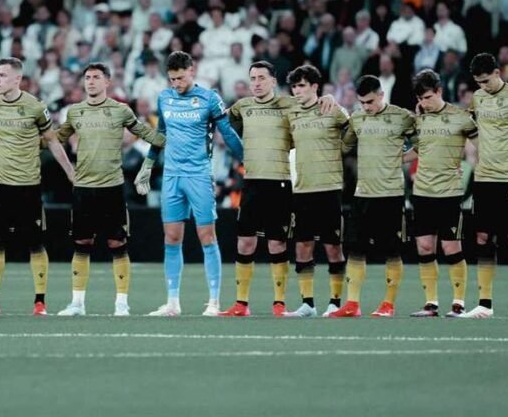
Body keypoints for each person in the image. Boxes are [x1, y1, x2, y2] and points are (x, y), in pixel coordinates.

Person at [134, 51, 244, 317]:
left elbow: (227, 133)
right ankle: (172, 303)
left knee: (207, 237)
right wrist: (148, 164)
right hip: (172, 176)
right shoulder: (164, 97)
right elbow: (161, 133)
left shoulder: (209, 99)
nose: (176, 84)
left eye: (180, 78)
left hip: (198, 175)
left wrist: (246, 161)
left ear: (192, 71)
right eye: (172, 79)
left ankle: (214, 302)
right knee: (171, 238)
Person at [54, 63, 166, 316]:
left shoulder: (120, 111)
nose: (91, 81)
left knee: (118, 244)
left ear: (108, 82)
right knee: (82, 243)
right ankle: (77, 304)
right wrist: (26, 137)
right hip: (83, 187)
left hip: (112, 188)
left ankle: (121, 303)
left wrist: (175, 139)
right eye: (87, 77)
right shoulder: (74, 112)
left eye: (96, 77)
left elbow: (147, 133)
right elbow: (56, 139)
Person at [0, 58, 75, 316]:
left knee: (35, 244)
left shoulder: (35, 107)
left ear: (17, 79)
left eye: (3, 75)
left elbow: (51, 140)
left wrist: (70, 172)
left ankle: (40, 302)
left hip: (28, 185)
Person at [330, 75, 415, 318]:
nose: (366, 107)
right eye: (361, 103)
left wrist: (400, 159)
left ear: (381, 95)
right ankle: (353, 304)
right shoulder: (357, 119)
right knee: (355, 249)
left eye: (369, 101)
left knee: (392, 251)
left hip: (391, 194)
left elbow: (423, 145)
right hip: (362, 194)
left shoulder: (402, 117)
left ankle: (388, 304)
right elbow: (344, 147)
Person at [462, 53, 508, 319]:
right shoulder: (478, 97)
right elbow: (468, 128)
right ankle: (484, 304)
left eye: (486, 81)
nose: (483, 86)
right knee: (482, 238)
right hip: (484, 179)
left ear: (497, 72)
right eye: (478, 82)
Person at [221, 61, 296, 317]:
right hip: (251, 182)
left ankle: (279, 303)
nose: (256, 83)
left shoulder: (289, 104)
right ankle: (241, 304)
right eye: (252, 78)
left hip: (279, 181)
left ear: (273, 81)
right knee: (245, 243)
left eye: (262, 78)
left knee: (277, 244)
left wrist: (329, 98)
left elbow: (315, 107)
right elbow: (217, 117)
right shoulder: (243, 107)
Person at [406, 70, 478, 317]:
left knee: (451, 248)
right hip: (422, 192)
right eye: (421, 99)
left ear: (439, 91)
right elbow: (419, 149)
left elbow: (482, 146)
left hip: (449, 193)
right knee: (425, 247)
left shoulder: (461, 118)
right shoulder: (419, 120)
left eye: (428, 97)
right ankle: (431, 303)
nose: (425, 103)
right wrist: (395, 159)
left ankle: (459, 303)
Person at [283, 65, 350, 317]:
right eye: (294, 86)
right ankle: (307, 304)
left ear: (314, 86)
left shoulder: (332, 110)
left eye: (302, 85)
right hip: (302, 189)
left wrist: (335, 100)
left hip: (329, 187)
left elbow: (353, 132)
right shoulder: (291, 113)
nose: (297, 90)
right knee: (303, 246)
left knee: (333, 247)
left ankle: (334, 302)